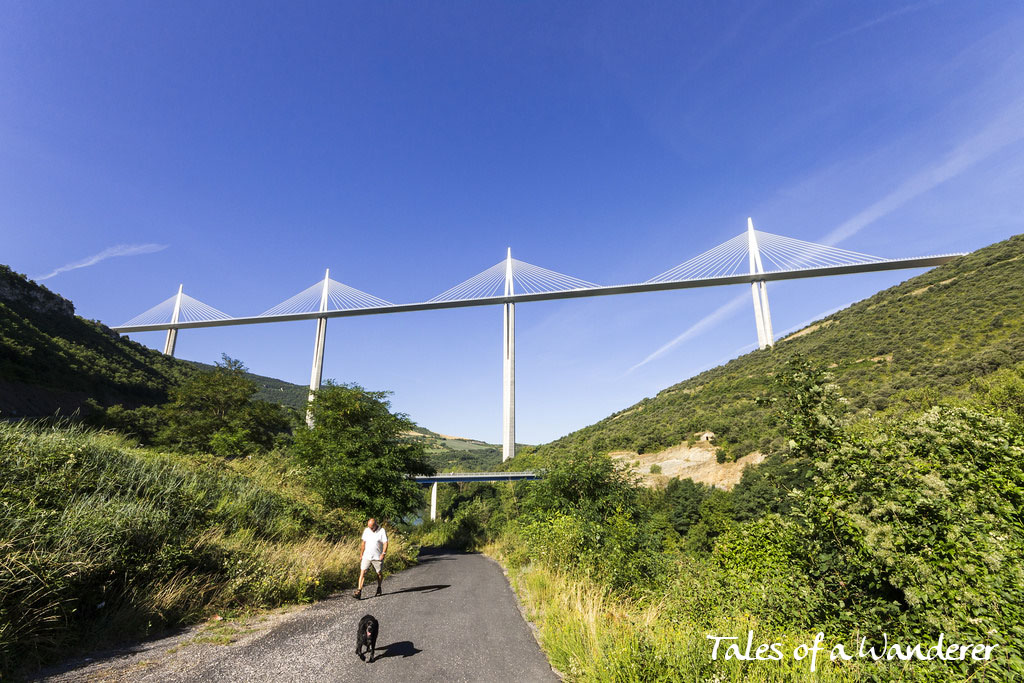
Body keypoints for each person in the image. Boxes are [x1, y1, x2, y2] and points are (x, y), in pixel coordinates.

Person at [354, 517, 388, 599]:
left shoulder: (382, 531)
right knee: (363, 572)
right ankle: (359, 591)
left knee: (379, 573)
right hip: (367, 555)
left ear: (375, 524)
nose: (370, 529)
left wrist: (383, 553)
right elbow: (363, 543)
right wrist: (361, 554)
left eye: (372, 527)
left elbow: (385, 543)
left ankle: (379, 587)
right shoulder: (366, 530)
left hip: (377, 556)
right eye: (369, 527)